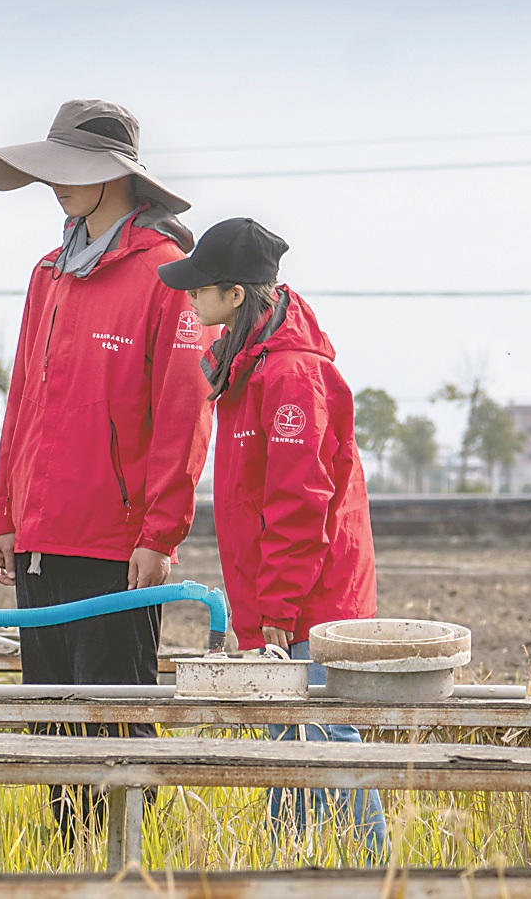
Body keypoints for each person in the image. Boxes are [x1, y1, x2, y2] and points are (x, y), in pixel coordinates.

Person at [0, 99, 213, 835]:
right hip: (40, 539)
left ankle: (135, 864)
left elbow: (185, 413)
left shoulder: (167, 274)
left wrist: (160, 531)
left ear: (118, 176)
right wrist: (5, 516)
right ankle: (66, 863)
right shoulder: (47, 272)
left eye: (73, 170)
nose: (56, 184)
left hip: (116, 545)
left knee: (116, 720)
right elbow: (23, 400)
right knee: (50, 724)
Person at [156, 217, 388, 859]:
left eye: (199, 287)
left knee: (323, 737)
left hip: (312, 603)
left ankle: (372, 870)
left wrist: (279, 614)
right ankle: (291, 868)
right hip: (282, 601)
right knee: (286, 740)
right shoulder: (248, 361)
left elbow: (299, 507)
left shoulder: (290, 377)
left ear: (234, 294)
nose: (189, 297)